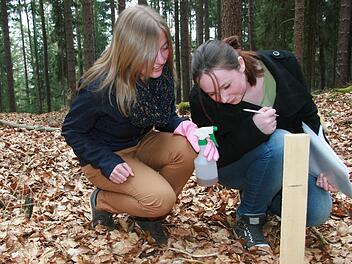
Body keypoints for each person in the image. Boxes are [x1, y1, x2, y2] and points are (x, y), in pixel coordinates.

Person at [61, 5, 217, 246]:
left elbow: (164, 118)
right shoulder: (99, 86)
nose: (162, 58)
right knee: (162, 200)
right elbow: (72, 130)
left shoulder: (159, 74)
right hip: (105, 158)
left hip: (141, 143)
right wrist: (106, 161)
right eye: (151, 51)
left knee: (187, 149)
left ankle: (146, 214)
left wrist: (184, 126)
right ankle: (102, 201)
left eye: (165, 48)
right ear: (129, 51)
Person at [189, 39, 336, 252]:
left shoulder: (283, 65)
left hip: (287, 163)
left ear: (240, 64)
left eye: (226, 86)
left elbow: (309, 119)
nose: (222, 98)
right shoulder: (200, 99)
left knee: (317, 211)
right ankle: (249, 217)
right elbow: (215, 156)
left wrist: (325, 166)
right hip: (235, 167)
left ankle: (262, 194)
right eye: (213, 94)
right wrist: (254, 131)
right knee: (279, 141)